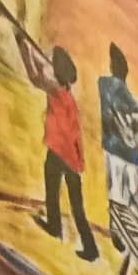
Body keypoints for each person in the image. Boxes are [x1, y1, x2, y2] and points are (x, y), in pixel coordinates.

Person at [31, 45, 98, 262]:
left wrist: (22, 45)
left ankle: (55, 227)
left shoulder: (57, 93)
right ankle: (88, 247)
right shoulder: (66, 95)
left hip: (60, 153)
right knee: (75, 205)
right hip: (70, 157)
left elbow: (35, 76)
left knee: (54, 191)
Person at [97, 44, 138, 248]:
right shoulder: (118, 90)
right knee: (128, 195)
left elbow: (127, 114)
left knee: (118, 193)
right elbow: (134, 114)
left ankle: (119, 231)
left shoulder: (106, 86)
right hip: (125, 153)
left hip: (115, 149)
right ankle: (124, 232)